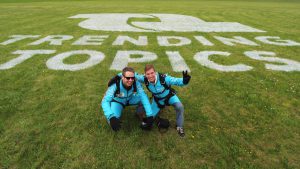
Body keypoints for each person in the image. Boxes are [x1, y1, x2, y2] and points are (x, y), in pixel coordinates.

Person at [135, 64, 191, 137]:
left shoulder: (164, 78)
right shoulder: (144, 79)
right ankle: (158, 111)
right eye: (148, 74)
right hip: (157, 100)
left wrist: (184, 81)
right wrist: (120, 76)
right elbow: (134, 75)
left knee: (179, 107)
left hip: (169, 97)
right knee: (149, 118)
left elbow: (175, 81)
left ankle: (179, 126)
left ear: (155, 72)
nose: (150, 76)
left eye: (152, 73)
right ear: (145, 75)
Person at [101, 67, 155, 131]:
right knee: (112, 122)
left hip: (130, 98)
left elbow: (143, 97)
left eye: (132, 78)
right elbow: (105, 101)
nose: (130, 80)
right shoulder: (115, 84)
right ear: (122, 77)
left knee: (143, 99)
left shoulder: (136, 82)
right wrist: (111, 117)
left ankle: (139, 113)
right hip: (118, 101)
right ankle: (112, 109)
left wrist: (150, 115)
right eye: (128, 78)